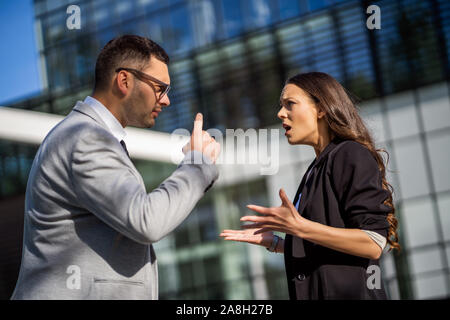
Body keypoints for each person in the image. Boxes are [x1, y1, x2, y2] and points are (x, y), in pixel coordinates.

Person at [11, 35, 220, 300]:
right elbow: (147, 221)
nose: (166, 100)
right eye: (160, 88)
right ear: (124, 81)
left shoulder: (87, 136)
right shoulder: (85, 138)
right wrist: (196, 164)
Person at [220, 72, 400, 300]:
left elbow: (373, 242)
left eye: (290, 104)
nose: (280, 113)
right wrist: (279, 243)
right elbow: (331, 247)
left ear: (321, 109)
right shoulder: (317, 167)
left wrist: (299, 228)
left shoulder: (350, 153)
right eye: (281, 105)